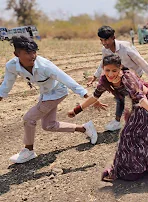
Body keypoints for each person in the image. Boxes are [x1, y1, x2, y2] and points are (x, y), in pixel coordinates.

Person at [68, 54, 148, 181]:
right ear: (103, 69)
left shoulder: (128, 78)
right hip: (136, 105)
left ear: (120, 68)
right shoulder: (104, 80)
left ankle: (129, 168)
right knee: (134, 136)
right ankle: (136, 167)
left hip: (147, 104)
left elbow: (141, 100)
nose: (110, 74)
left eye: (114, 70)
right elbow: (94, 97)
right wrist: (76, 110)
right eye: (107, 70)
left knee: (130, 135)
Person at [0, 36, 97, 164]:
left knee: (29, 119)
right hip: (45, 94)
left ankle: (28, 150)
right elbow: (7, 83)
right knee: (48, 125)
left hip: (57, 92)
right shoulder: (11, 66)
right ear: (16, 54)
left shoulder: (44, 66)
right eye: (27, 53)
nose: (32, 56)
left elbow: (66, 78)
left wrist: (86, 95)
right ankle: (85, 128)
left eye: (34, 52)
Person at [87, 26, 148, 131]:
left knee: (135, 97)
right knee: (120, 97)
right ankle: (119, 121)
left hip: (134, 75)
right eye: (101, 40)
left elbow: (140, 61)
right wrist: (95, 76)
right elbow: (103, 63)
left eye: (106, 40)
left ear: (113, 37)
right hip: (119, 76)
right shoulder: (105, 50)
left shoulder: (125, 47)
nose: (104, 43)